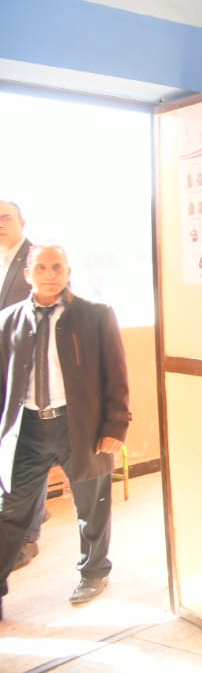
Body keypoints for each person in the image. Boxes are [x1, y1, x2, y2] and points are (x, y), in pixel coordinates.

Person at [0, 244, 131, 619]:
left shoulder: (96, 315)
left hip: (80, 426)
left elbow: (116, 374)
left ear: (68, 272)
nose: (49, 274)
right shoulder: (7, 320)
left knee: (92, 506)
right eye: (41, 267)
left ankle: (93, 573)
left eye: (57, 266)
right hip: (26, 430)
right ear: (28, 274)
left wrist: (115, 425)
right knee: (9, 511)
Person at [0, 201, 46, 570]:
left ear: (22, 222)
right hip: (4, 370)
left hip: (27, 373)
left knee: (29, 454)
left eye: (5, 217)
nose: (0, 224)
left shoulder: (35, 259)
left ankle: (28, 537)